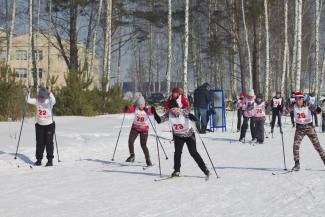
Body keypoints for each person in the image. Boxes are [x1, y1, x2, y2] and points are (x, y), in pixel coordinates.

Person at [152, 99, 210, 178]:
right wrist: (154, 112)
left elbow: (194, 118)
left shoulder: (184, 112)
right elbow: (159, 120)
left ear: (178, 108)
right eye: (172, 109)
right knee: (177, 153)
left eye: (175, 108)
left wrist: (190, 116)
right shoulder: (169, 114)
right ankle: (176, 170)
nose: (174, 111)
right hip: (178, 136)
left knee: (193, 152)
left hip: (189, 135)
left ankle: (205, 169)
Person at [285, 91, 325, 171]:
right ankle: (297, 164)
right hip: (299, 128)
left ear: (303, 99)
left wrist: (318, 109)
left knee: (317, 146)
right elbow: (285, 111)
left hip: (309, 127)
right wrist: (280, 109)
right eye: (297, 99)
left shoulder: (308, 104)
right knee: (295, 145)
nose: (298, 101)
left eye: (300, 99)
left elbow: (316, 110)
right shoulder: (293, 105)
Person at [26, 87, 56, 166]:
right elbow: (28, 100)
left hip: (49, 125)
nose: (42, 98)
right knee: (39, 143)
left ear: (46, 96)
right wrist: (28, 92)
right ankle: (39, 160)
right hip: (40, 126)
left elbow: (54, 100)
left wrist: (50, 93)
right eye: (40, 96)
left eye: (43, 97)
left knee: (49, 143)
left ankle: (50, 161)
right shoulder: (37, 101)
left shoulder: (49, 101)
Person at [124, 96, 153, 166]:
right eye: (139, 105)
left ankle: (148, 160)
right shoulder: (135, 107)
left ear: (144, 104)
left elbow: (151, 112)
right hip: (135, 128)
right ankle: (132, 156)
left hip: (144, 129)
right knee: (130, 141)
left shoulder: (146, 108)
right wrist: (126, 109)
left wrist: (151, 110)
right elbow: (130, 109)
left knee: (143, 145)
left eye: (141, 105)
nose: (140, 106)